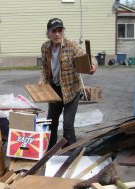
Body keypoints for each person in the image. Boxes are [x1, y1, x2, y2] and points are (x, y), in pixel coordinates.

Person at [38, 18, 97, 149]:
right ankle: (50, 151)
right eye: (54, 31)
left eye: (60, 30)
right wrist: (42, 80)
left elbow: (88, 57)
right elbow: (44, 68)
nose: (57, 34)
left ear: (63, 32)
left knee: (68, 124)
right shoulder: (45, 47)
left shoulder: (72, 46)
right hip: (54, 90)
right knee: (51, 122)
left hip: (71, 90)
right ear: (49, 33)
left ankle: (71, 152)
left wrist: (93, 64)